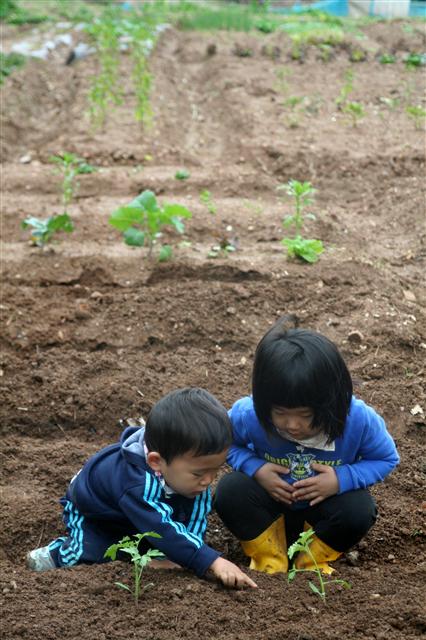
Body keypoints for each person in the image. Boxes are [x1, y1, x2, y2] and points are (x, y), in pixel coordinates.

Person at [215, 316, 400, 575]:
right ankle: (269, 558)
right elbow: (224, 442)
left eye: (306, 415)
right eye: (280, 413)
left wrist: (340, 479)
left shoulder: (357, 420)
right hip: (269, 510)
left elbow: (385, 459)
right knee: (230, 491)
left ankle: (310, 561)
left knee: (358, 510)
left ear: (332, 403)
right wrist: (255, 468)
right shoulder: (249, 415)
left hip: (321, 516)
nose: (292, 425)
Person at [26, 388, 257, 589]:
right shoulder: (136, 482)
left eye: (215, 471)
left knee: (163, 544)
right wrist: (211, 561)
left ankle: (146, 554)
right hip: (97, 516)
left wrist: (189, 554)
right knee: (95, 552)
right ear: (156, 461)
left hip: (142, 513)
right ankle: (56, 554)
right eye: (199, 474)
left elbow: (194, 519)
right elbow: (159, 524)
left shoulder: (193, 473)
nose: (208, 481)